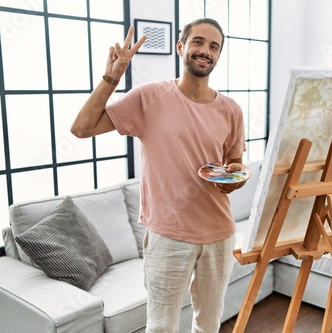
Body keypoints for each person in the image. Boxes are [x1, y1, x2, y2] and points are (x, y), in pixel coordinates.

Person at [71, 18, 247, 333]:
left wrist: (237, 176)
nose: (205, 51)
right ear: (181, 47)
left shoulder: (231, 110)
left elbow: (234, 164)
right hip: (168, 235)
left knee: (208, 326)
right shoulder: (150, 97)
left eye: (213, 46)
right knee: (161, 327)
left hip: (220, 234)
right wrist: (113, 76)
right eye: (198, 42)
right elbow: (82, 128)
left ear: (219, 55)